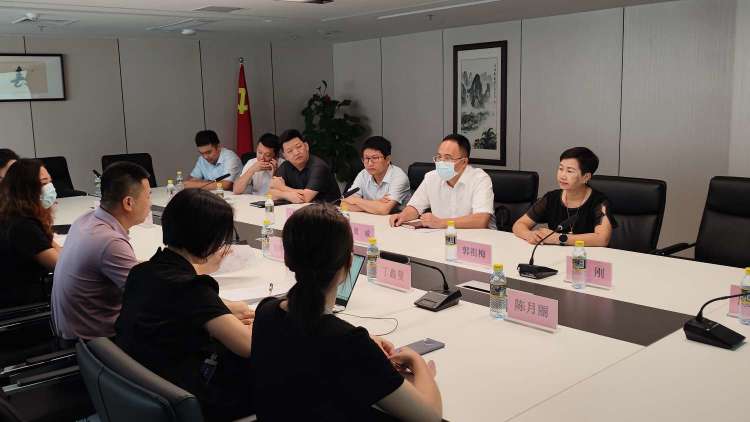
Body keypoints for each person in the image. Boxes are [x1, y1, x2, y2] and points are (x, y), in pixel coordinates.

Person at [250, 203, 443, 422]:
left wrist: (365, 343)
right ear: (349, 262)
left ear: (287, 258)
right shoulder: (349, 343)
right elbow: (431, 417)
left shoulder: (266, 311)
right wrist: (417, 362)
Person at [115, 188, 255, 421]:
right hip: (185, 398)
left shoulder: (142, 271)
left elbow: (185, 305)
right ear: (208, 240)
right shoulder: (192, 288)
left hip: (143, 389)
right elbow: (248, 345)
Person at [51, 162, 152, 341]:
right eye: (148, 196)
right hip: (96, 345)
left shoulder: (85, 220)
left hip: (72, 331)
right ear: (128, 203)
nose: (150, 203)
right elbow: (149, 296)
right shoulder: (110, 242)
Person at [512, 147, 616, 247]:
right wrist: (529, 234)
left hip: (587, 256)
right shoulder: (551, 198)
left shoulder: (599, 202)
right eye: (561, 169)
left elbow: (602, 239)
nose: (562, 175)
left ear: (586, 177)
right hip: (557, 255)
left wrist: (559, 238)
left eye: (569, 171)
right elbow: (519, 224)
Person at [390, 134, 495, 229]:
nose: (441, 162)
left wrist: (442, 223)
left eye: (448, 158)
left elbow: (481, 220)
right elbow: (415, 207)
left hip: (477, 239)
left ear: (464, 162)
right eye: (439, 157)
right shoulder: (431, 177)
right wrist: (402, 216)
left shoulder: (480, 179)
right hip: (441, 236)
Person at [0, 159, 61, 308]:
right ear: (26, 188)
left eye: (50, 182)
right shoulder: (23, 225)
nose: (50, 188)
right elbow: (62, 265)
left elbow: (57, 250)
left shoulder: (18, 215)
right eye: (44, 183)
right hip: (24, 305)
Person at [342, 136, 411, 215]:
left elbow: (384, 210)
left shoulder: (399, 176)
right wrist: (376, 203)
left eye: (375, 158)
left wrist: (356, 200)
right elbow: (343, 205)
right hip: (370, 218)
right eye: (366, 158)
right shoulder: (363, 174)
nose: (370, 163)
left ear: (388, 159)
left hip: (395, 220)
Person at [269, 129, 341, 203]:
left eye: (299, 147)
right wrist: (287, 195)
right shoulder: (285, 166)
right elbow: (270, 193)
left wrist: (282, 187)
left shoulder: (319, 167)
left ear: (306, 146)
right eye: (290, 151)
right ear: (285, 156)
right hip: (302, 208)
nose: (296, 153)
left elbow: (305, 198)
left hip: (328, 208)